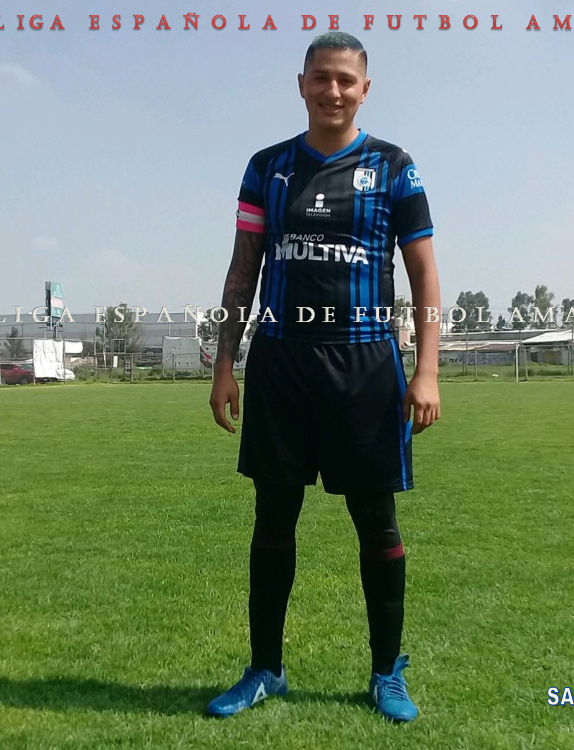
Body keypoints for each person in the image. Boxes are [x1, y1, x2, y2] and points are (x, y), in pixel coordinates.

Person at [207, 32, 441, 723]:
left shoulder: (394, 167)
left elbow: (424, 273)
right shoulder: (267, 168)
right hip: (281, 364)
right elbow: (243, 269)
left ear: (364, 89)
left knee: (376, 521)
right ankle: (265, 669)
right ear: (301, 84)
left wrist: (427, 370)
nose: (332, 91)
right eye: (321, 78)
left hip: (366, 367)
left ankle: (386, 672)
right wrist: (224, 364)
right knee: (273, 517)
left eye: (345, 80)